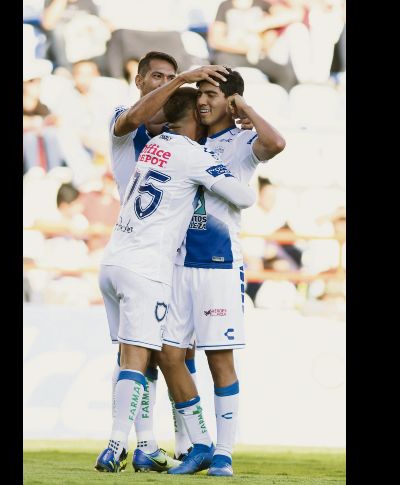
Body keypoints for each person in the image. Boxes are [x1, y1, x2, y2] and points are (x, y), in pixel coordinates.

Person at [95, 87, 257, 473]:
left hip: (113, 259)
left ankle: (154, 445)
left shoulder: (151, 146)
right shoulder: (194, 153)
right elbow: (245, 197)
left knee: (140, 354)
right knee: (139, 356)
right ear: (193, 120)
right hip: (147, 268)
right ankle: (117, 444)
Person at [166, 68, 286, 476]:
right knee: (170, 355)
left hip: (218, 264)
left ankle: (225, 453)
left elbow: (277, 143)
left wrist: (244, 108)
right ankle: (198, 442)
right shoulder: (188, 140)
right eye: (199, 93)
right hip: (178, 262)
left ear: (231, 100)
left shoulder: (241, 141)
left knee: (219, 360)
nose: (202, 101)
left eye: (212, 94)